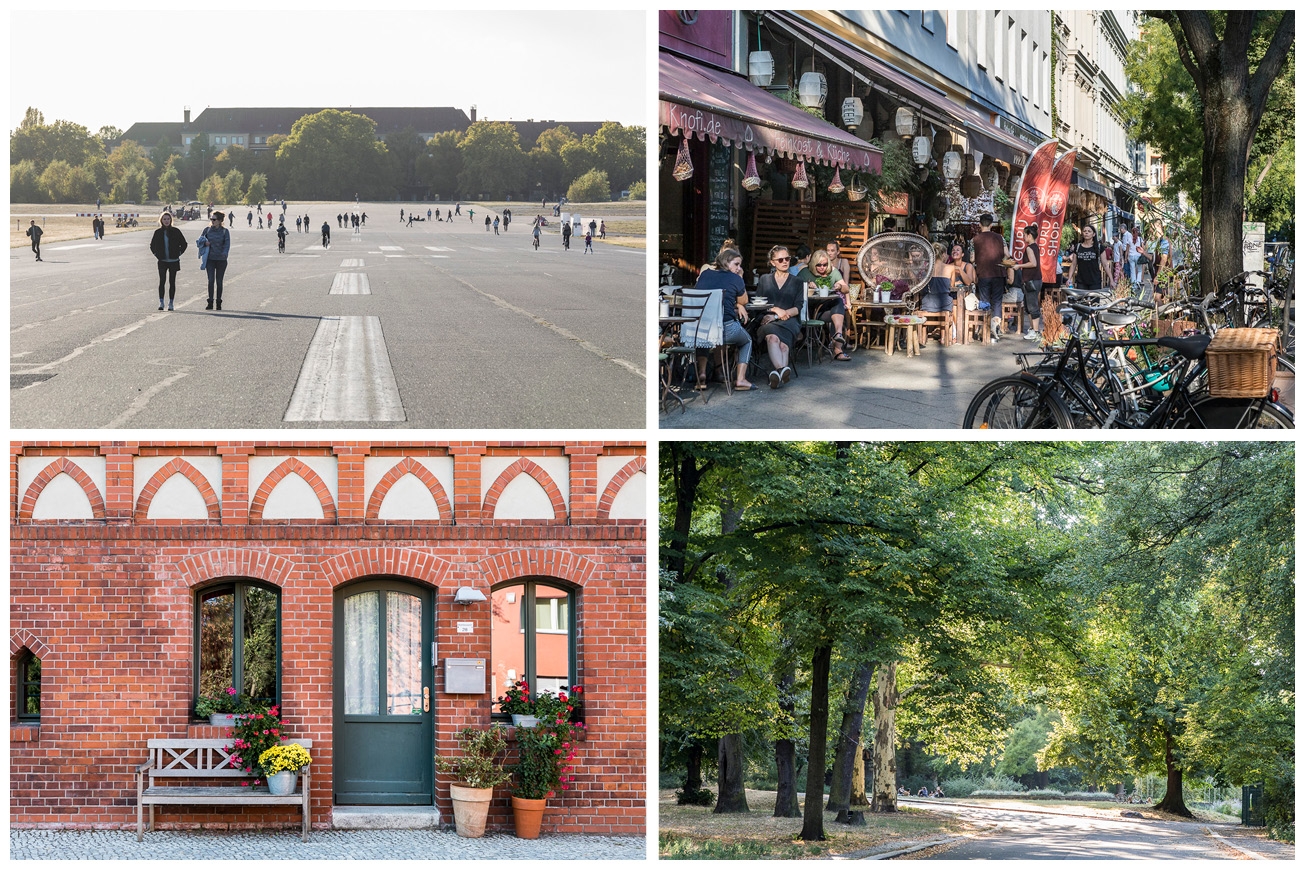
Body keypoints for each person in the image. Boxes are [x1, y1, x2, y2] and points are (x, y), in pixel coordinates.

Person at [694, 247, 755, 391]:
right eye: (736, 264)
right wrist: (739, 278)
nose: (738, 268)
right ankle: (741, 379)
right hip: (726, 328)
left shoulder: (705, 274)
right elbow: (744, 300)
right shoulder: (735, 278)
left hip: (701, 328)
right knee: (747, 341)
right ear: (726, 262)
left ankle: (702, 374)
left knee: (704, 340)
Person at [755, 245, 803, 389]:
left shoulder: (797, 281)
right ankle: (782, 370)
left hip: (790, 321)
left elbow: (798, 308)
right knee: (773, 337)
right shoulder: (764, 279)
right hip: (767, 319)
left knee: (783, 344)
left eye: (787, 258)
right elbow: (758, 304)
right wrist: (775, 310)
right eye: (780, 259)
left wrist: (779, 315)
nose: (784, 262)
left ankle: (777, 373)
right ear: (772, 262)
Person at [797, 249, 852, 360]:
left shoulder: (833, 271)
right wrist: (806, 285)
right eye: (819, 265)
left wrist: (840, 286)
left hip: (824, 309)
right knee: (836, 306)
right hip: (808, 309)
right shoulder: (805, 273)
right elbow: (794, 289)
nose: (822, 267)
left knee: (838, 301)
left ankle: (838, 338)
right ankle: (837, 347)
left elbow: (846, 289)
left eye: (825, 264)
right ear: (813, 264)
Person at [972, 213, 1007, 343]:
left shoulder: (974, 239)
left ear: (980, 224)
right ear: (991, 225)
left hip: (983, 274)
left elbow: (971, 258)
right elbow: (1007, 254)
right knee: (997, 301)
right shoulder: (1000, 238)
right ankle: (996, 330)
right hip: (998, 273)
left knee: (984, 300)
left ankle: (984, 330)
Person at [150, 211, 188, 310]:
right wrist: (156, 255)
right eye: (164, 219)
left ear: (171, 220)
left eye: (168, 219)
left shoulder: (176, 231)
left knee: (172, 282)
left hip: (173, 261)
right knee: (162, 281)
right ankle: (161, 302)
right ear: (161, 220)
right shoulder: (158, 232)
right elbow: (152, 245)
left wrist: (178, 253)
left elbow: (184, 244)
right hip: (162, 261)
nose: (166, 221)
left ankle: (171, 303)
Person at [197, 211, 230, 310]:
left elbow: (227, 245)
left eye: (214, 219)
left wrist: (224, 254)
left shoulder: (225, 231)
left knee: (219, 281)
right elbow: (199, 241)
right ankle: (210, 302)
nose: (212, 221)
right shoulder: (207, 230)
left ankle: (218, 302)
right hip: (210, 259)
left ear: (220, 221)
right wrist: (205, 242)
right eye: (211, 219)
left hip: (221, 260)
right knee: (211, 280)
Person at [1019, 224, 1043, 341]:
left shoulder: (1029, 248)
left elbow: (1033, 263)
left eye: (1024, 234)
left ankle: (1036, 331)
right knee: (1029, 306)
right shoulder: (1035, 247)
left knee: (1032, 306)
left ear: (1029, 235)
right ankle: (1032, 329)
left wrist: (1019, 266)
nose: (1023, 237)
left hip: (1032, 280)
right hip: (1033, 280)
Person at [1067, 223, 1105, 292]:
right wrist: (1069, 278)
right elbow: (1073, 264)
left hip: (1095, 281)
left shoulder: (1099, 247)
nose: (1086, 233)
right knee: (1082, 302)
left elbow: (1105, 265)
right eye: (1085, 231)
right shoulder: (1078, 247)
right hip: (1081, 281)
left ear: (1094, 234)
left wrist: (1111, 280)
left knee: (1095, 302)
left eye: (1089, 231)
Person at [923, 242, 956, 317]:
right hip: (945, 303)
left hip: (927, 303)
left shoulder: (926, 268)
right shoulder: (951, 268)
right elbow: (952, 286)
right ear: (944, 255)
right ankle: (945, 328)